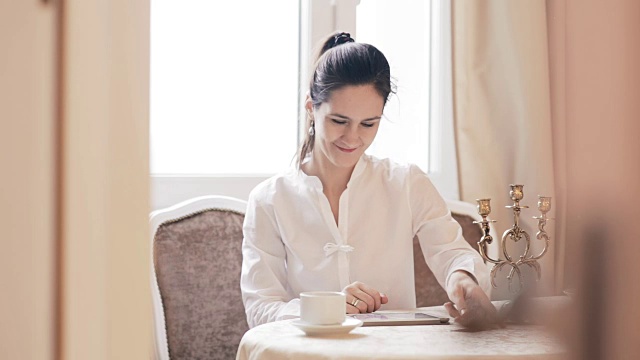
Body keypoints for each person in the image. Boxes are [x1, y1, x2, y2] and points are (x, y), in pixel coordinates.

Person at [240, 31, 501, 330]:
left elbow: (451, 252)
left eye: (368, 123)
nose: (353, 138)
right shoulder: (270, 199)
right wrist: (328, 306)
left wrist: (462, 280)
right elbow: (260, 309)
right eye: (339, 121)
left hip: (395, 351)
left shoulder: (406, 182)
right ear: (311, 108)